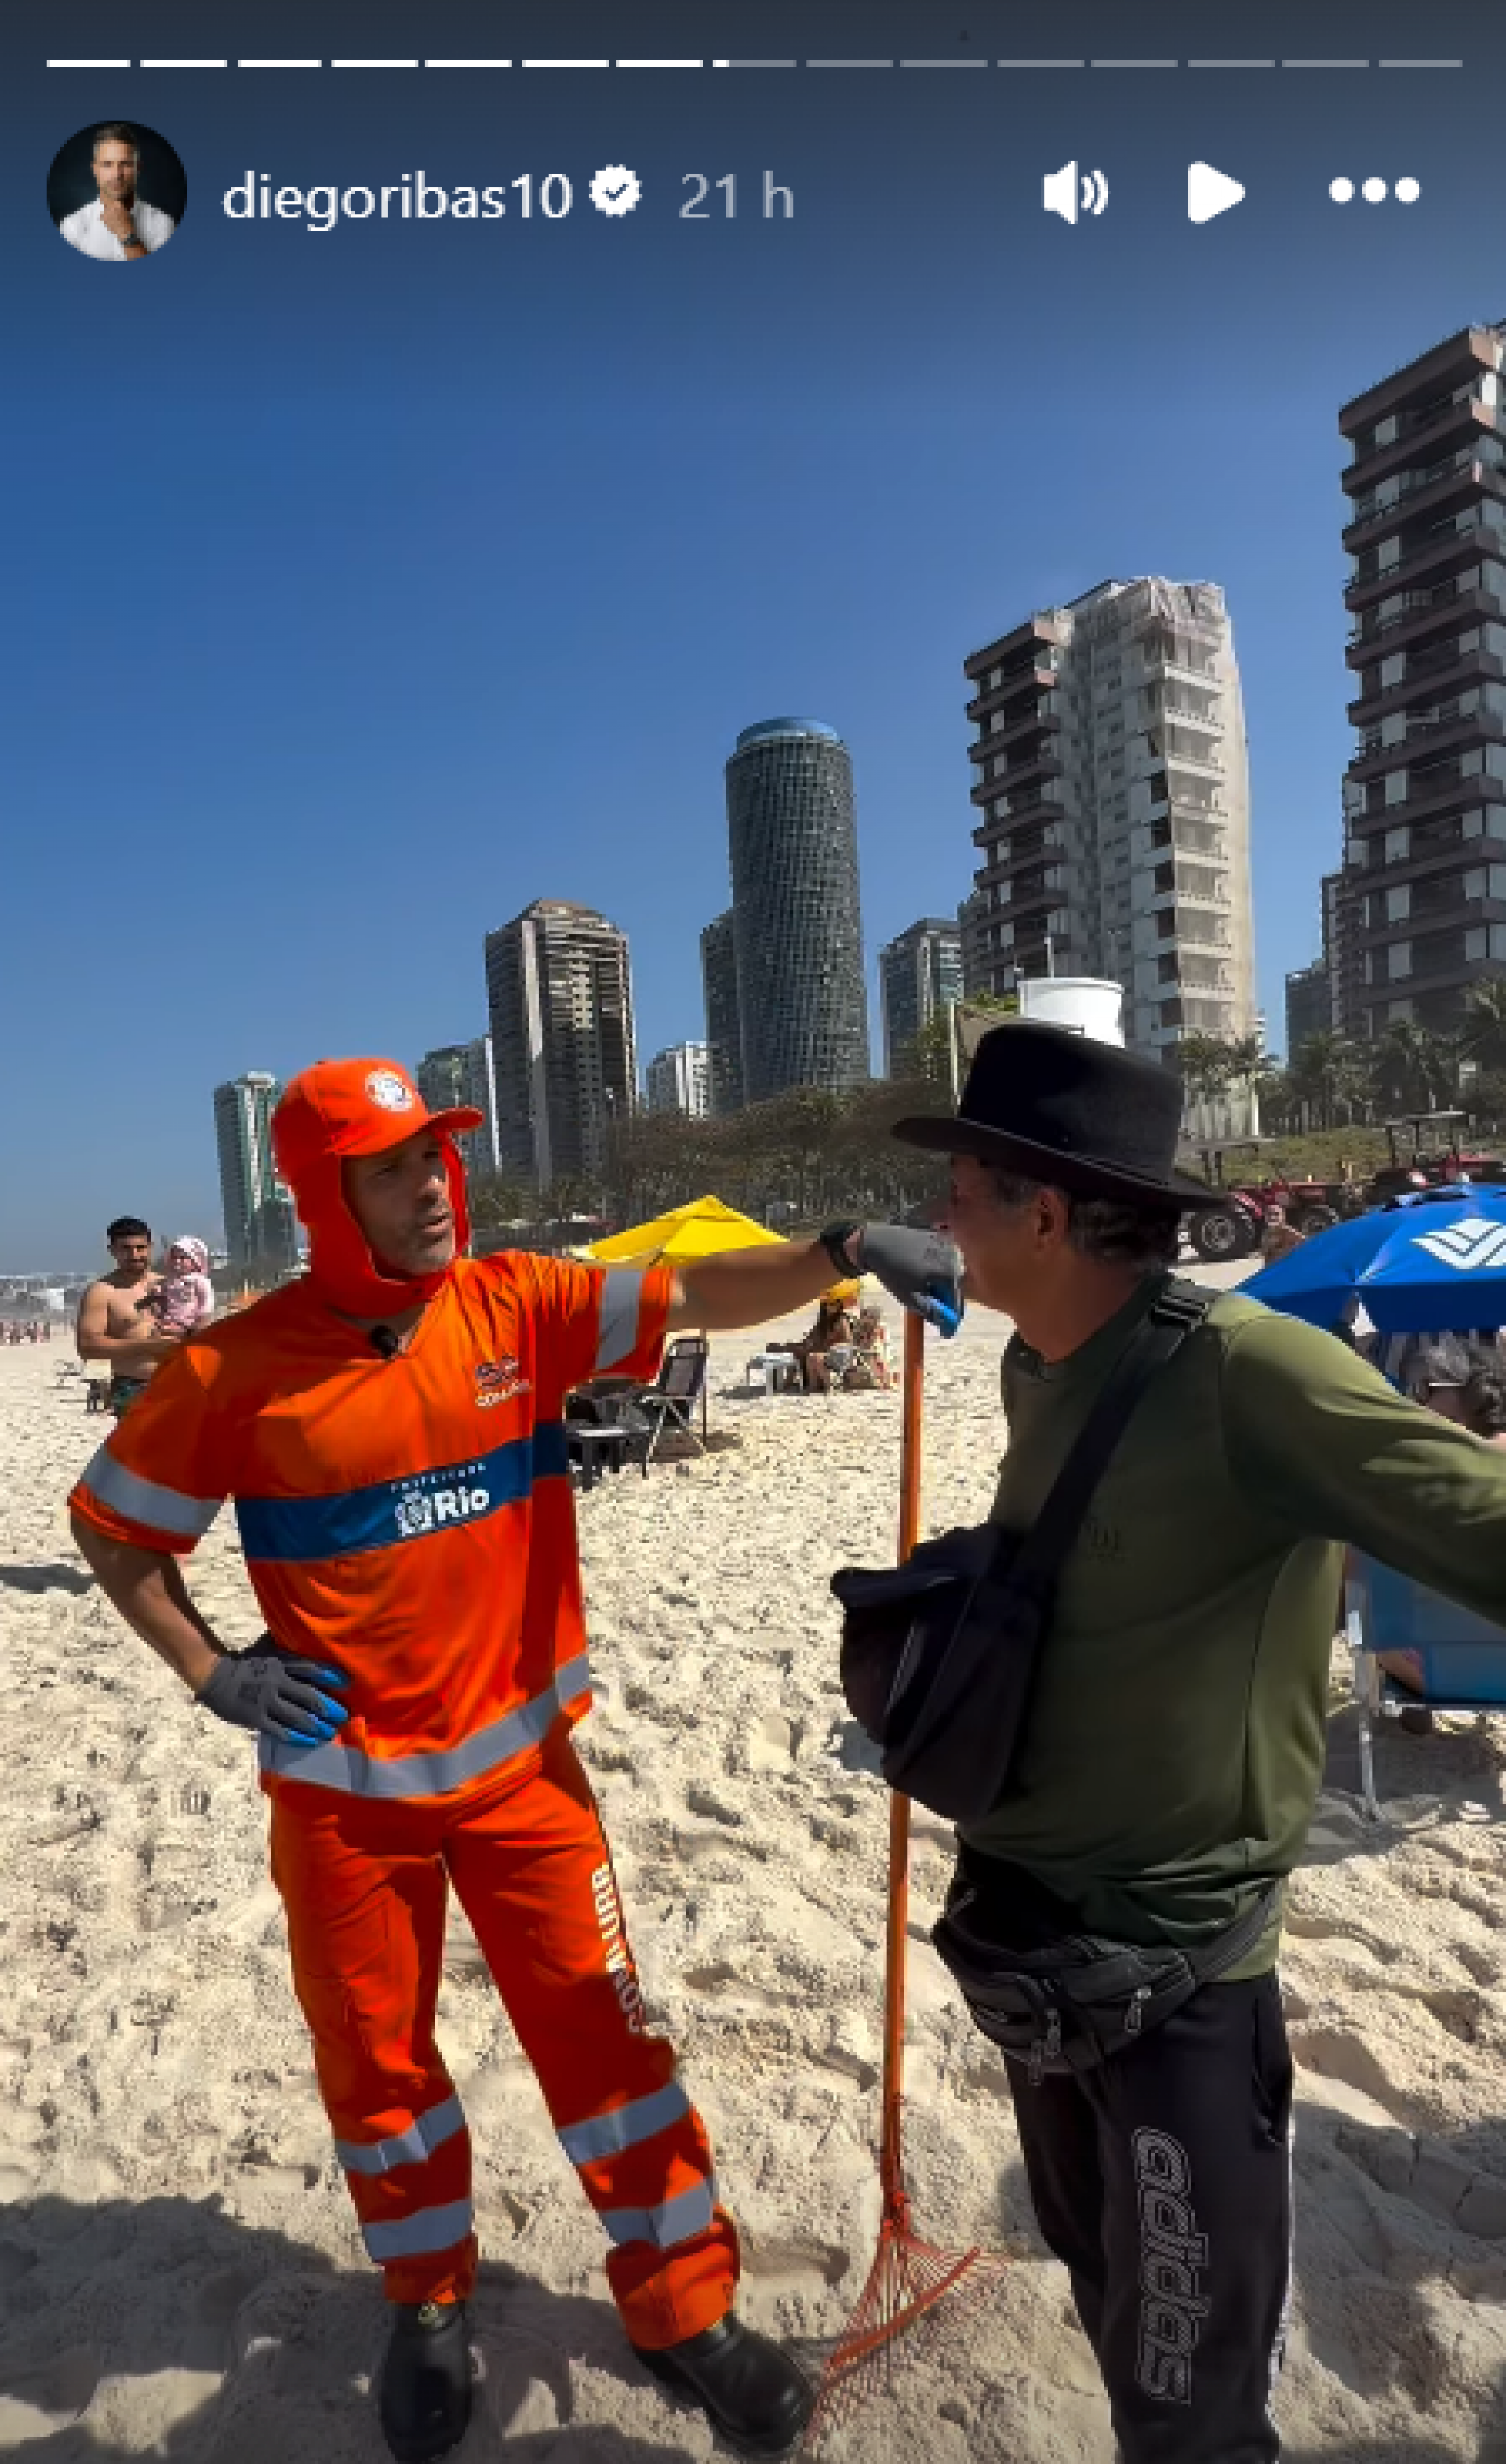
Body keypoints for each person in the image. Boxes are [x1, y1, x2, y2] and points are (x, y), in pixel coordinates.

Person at [67, 1055, 961, 2464]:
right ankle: (427, 2302)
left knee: (608, 2043)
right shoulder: (232, 1367)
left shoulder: (520, 1305)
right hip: (343, 1806)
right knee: (376, 2064)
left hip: (526, 1784)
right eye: (392, 1168)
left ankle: (681, 2307)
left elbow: (699, 1294)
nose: (431, 1187)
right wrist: (216, 1670)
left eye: (437, 1158)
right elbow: (118, 1534)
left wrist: (841, 1254)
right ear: (323, 1194)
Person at [889, 1021, 1506, 2464]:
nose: (943, 1218)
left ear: (1046, 1212)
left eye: (962, 1189)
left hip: (1181, 1976)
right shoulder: (1036, 1369)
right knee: (1111, 2309)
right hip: (1034, 1951)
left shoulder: (1247, 1372)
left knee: (1189, 2399)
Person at [75, 1216, 183, 1416]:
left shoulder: (172, 1286)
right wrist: (147, 1346)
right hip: (133, 1387)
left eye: (141, 1248)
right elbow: (87, 1346)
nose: (134, 1255)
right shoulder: (102, 1292)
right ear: (112, 1251)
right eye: (125, 1249)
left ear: (150, 1247)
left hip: (180, 1384)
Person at [59, 125, 176, 262]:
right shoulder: (72, 226)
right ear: (95, 169)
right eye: (107, 164)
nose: (116, 174)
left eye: (125, 164)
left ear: (138, 168)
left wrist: (127, 234)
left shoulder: (163, 224)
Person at [143, 1237, 216, 1338]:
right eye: (174, 1257)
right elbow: (164, 1299)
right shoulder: (169, 1280)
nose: (177, 1261)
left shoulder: (199, 1281)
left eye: (182, 1257)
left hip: (189, 1323)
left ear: (195, 1260)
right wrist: (157, 1294)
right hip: (168, 1321)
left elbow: (206, 1302)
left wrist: (199, 1322)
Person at [1258, 1200, 1303, 1264]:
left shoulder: (1289, 1232)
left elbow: (1308, 1244)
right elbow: (1266, 1257)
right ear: (1265, 1216)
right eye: (1269, 1214)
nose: (1272, 1217)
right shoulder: (1266, 1234)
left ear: (1282, 1217)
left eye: (1276, 1214)